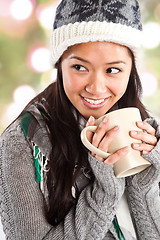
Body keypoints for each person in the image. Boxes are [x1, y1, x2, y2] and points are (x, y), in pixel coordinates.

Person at [0, 0, 160, 239]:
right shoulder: (23, 142)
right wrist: (104, 191)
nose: (96, 88)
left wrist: (143, 181)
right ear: (60, 65)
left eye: (113, 70)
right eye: (79, 67)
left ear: (131, 70)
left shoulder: (146, 132)